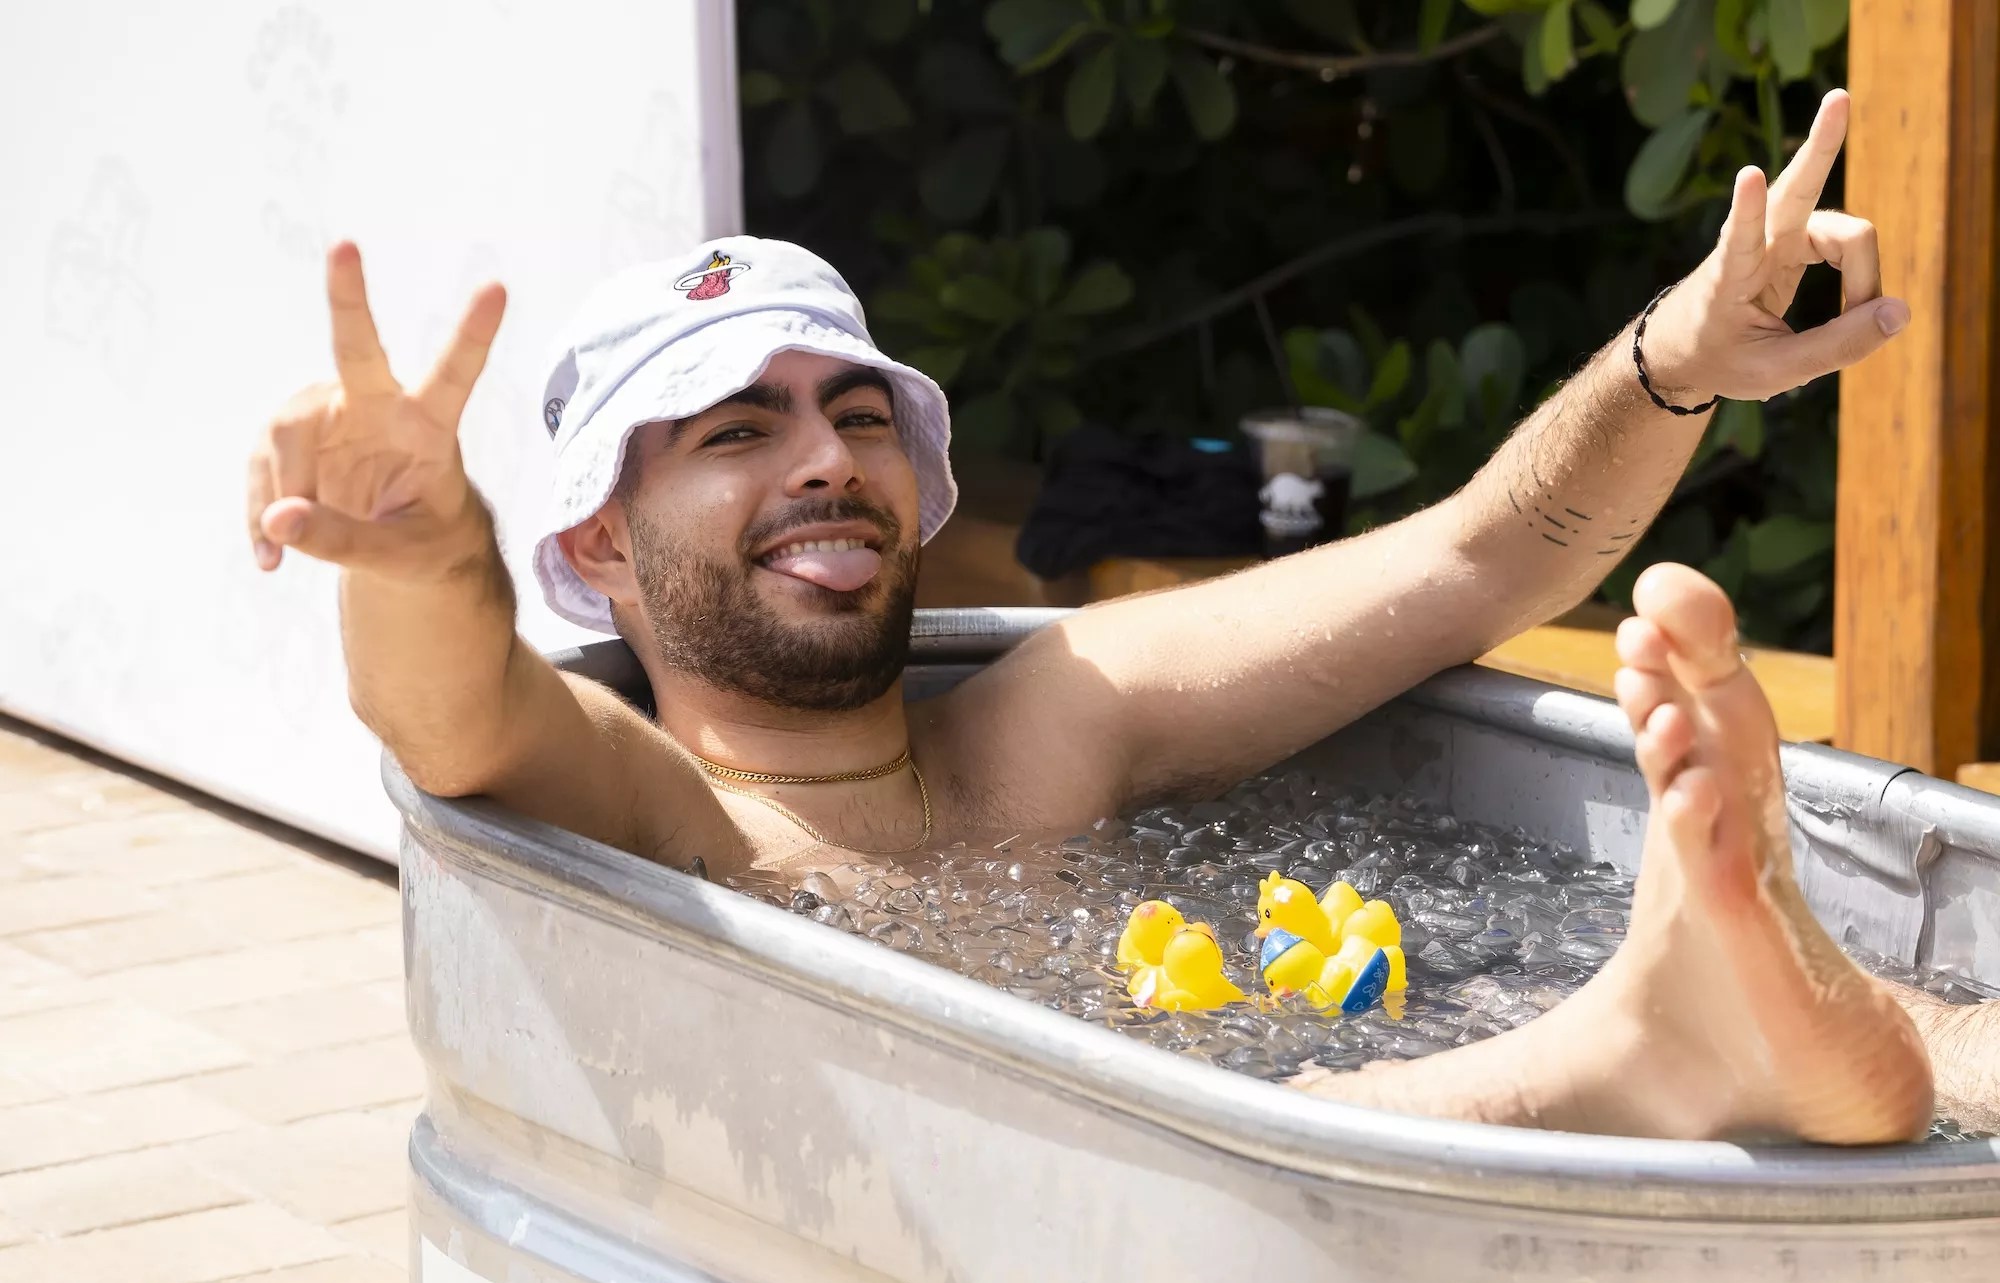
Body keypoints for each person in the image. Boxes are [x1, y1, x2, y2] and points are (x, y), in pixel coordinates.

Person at [244, 89, 1992, 1143]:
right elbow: (447, 712)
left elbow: (1473, 566)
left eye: (857, 414)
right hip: (1091, 1226)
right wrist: (423, 554)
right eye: (735, 430)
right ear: (602, 551)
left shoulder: (1049, 718)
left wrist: (1668, 363)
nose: (826, 460)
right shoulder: (650, 798)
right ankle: (1642, 1043)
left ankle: (1764, 1024)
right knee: (1212, 1138)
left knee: (1894, 1022)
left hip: (1286, 1112)